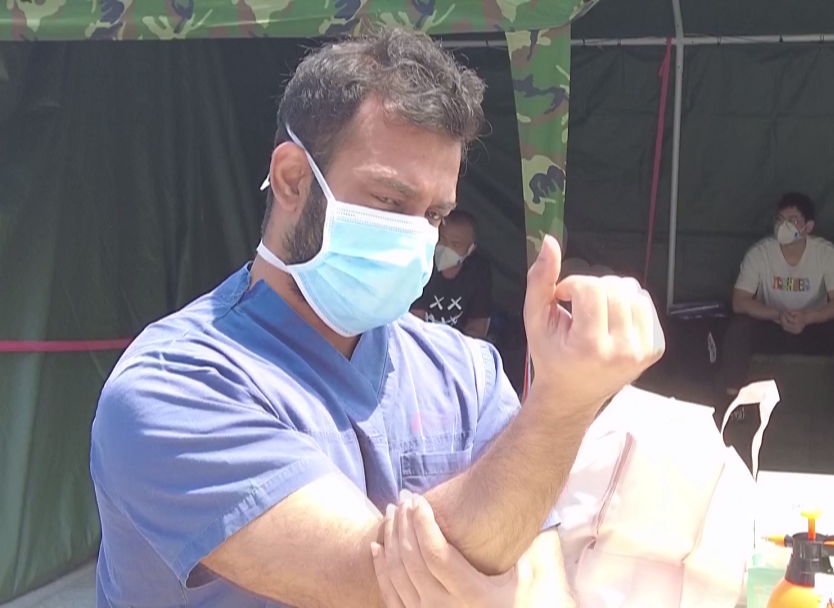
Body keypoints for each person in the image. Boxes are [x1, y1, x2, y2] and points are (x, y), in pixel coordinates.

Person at [89, 29, 663, 608]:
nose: (417, 236)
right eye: (390, 201)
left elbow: (543, 573)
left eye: (434, 215)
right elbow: (372, 579)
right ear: (292, 180)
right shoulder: (174, 387)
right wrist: (564, 404)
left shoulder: (467, 374)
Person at [719, 193, 834, 434]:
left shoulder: (826, 253)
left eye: (793, 221)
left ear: (808, 227)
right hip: (773, 325)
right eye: (780, 219)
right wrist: (777, 314)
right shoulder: (760, 253)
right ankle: (732, 403)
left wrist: (808, 317)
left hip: (812, 327)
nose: (784, 226)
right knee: (738, 326)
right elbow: (739, 301)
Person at [411, 209, 493, 338]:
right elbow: (414, 320)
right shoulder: (423, 261)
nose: (446, 248)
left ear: (471, 248)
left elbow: (478, 325)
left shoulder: (478, 272)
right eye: (442, 239)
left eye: (456, 244)